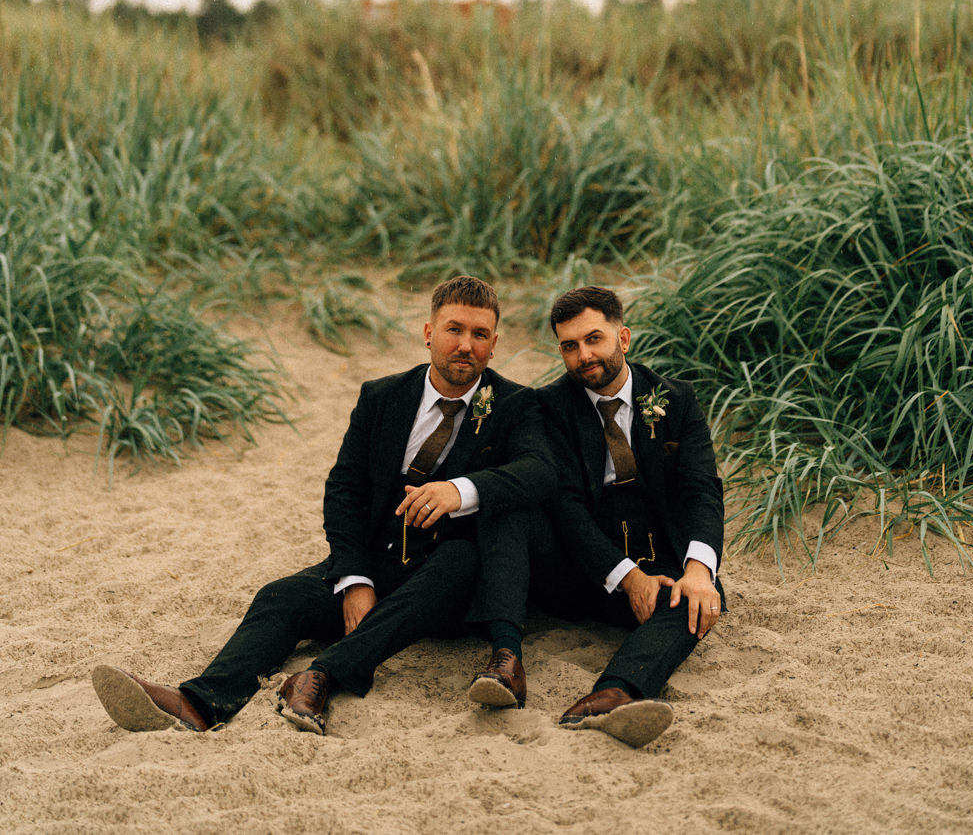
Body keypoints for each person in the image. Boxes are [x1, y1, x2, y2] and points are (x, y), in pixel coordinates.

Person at [91, 275, 554, 736]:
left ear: (494, 344)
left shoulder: (516, 404)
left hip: (450, 581)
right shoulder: (382, 396)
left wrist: (462, 490)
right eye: (454, 330)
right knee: (282, 595)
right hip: (381, 563)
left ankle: (319, 675)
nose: (465, 345)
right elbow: (345, 490)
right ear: (429, 332)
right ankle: (200, 702)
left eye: (479, 335)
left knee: (460, 559)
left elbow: (540, 470)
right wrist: (355, 578)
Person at [533, 285, 725, 748]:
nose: (584, 355)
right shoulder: (551, 407)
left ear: (623, 338)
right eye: (570, 346)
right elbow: (566, 508)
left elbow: (702, 489)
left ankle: (615, 692)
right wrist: (627, 577)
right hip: (586, 568)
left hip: (659, 556)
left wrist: (698, 570)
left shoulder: (675, 400)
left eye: (594, 339)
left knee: (699, 599)